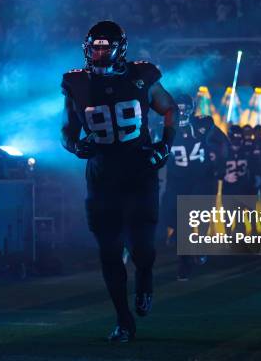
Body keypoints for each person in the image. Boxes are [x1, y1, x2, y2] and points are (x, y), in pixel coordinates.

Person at [61, 21, 178, 343]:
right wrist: (74, 145)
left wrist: (164, 146)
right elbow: (67, 128)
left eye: (104, 46)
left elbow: (170, 109)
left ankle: (145, 278)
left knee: (142, 250)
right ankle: (124, 321)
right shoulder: (76, 82)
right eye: (94, 46)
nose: (97, 52)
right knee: (109, 252)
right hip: (102, 178)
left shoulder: (142, 76)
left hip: (139, 174)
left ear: (119, 48)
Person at [162, 94, 216, 281]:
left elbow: (211, 136)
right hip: (178, 180)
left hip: (200, 179)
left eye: (186, 107)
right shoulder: (165, 127)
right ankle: (184, 261)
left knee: (201, 216)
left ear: (192, 108)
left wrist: (218, 164)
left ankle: (199, 245)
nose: (183, 111)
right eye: (179, 107)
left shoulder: (203, 123)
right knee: (177, 220)